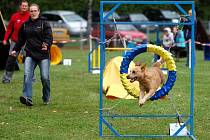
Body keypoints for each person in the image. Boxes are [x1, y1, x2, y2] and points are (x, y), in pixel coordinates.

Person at [11, 3, 53, 106]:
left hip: (43, 55)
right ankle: (27, 98)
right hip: (30, 54)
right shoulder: (25, 24)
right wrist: (15, 49)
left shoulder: (44, 23)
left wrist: (47, 44)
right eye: (31, 11)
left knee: (45, 77)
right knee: (27, 75)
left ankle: (46, 97)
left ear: (39, 11)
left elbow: (49, 37)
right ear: (29, 12)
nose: (33, 13)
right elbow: (21, 39)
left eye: (35, 11)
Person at [2, 0, 30, 83]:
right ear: (20, 6)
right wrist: (5, 39)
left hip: (26, 42)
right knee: (11, 60)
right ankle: (6, 79)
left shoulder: (30, 16)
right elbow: (9, 29)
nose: (24, 7)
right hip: (15, 42)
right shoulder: (14, 16)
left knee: (28, 60)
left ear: (27, 7)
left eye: (26, 6)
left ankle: (31, 79)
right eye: (23, 6)